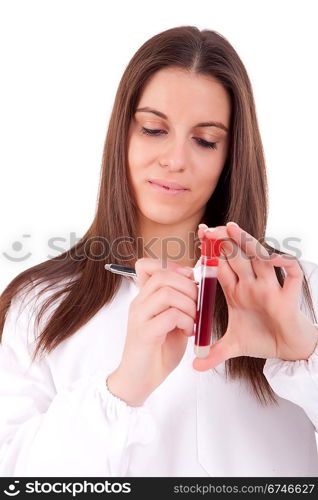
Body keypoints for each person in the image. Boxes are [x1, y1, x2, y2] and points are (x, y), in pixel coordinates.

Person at [0, 25, 318, 478]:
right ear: (122, 135)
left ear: (231, 155)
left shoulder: (299, 293)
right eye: (153, 129)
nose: (174, 159)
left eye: (205, 139)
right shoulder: (41, 305)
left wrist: (306, 354)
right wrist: (123, 386)